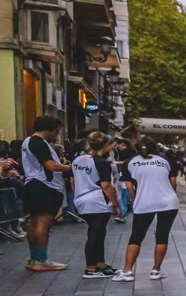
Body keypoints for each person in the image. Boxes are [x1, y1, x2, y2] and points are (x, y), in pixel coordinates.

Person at [116, 137, 181, 281]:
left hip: (144, 202)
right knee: (162, 235)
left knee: (136, 236)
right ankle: (156, 270)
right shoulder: (165, 161)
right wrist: (170, 194)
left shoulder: (129, 162)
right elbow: (173, 182)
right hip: (168, 202)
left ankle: (127, 272)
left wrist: (135, 200)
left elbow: (129, 187)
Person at [18, 116, 71, 272]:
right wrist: (70, 167)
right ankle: (41, 260)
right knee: (43, 223)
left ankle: (34, 258)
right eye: (56, 130)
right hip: (45, 186)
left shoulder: (28, 142)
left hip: (34, 184)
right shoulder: (38, 143)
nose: (57, 133)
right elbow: (51, 166)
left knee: (34, 223)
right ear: (49, 128)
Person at [71, 132, 119, 278]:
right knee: (95, 234)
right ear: (104, 145)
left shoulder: (78, 160)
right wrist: (115, 203)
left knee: (98, 233)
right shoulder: (102, 163)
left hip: (81, 198)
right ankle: (91, 268)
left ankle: (101, 264)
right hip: (98, 201)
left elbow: (73, 181)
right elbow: (106, 185)